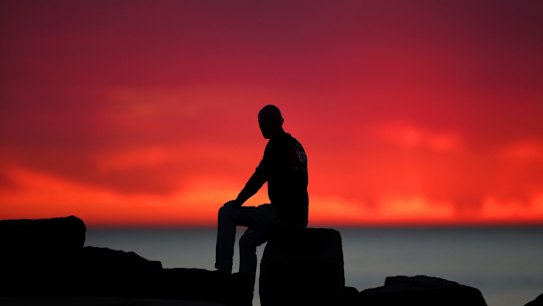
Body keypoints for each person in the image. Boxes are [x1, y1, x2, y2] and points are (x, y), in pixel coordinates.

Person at [215, 104, 309, 304]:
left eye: (263, 124)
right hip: (297, 218)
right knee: (247, 242)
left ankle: (222, 274)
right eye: (260, 124)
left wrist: (237, 202)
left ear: (274, 123)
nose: (261, 128)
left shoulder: (277, 144)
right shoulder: (297, 146)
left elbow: (259, 177)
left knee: (226, 213)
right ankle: (245, 296)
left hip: (281, 215)